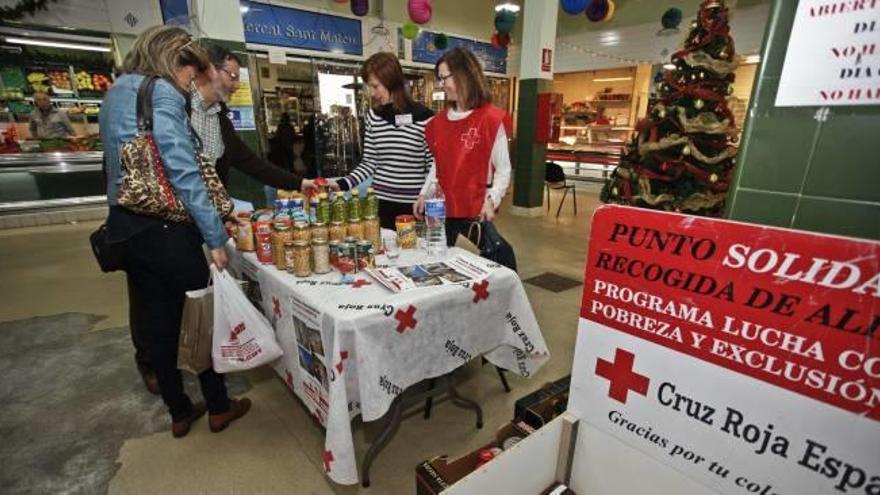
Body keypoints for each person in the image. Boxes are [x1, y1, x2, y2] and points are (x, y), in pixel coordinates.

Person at [99, 25, 250, 438]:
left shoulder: (116, 93)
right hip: (167, 230)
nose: (190, 83)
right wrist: (215, 236)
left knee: (157, 324)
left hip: (126, 229)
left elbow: (116, 171)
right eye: (191, 73)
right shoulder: (162, 91)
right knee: (200, 315)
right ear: (174, 60)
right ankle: (218, 406)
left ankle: (179, 411)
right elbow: (183, 171)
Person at [414, 47, 511, 244]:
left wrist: (492, 199)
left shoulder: (490, 120)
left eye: (444, 78)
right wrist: (424, 194)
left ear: (463, 75)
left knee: (497, 260)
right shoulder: (437, 124)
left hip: (475, 212)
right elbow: (438, 165)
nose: (442, 85)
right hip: (441, 213)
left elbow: (503, 169)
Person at [335, 52, 434, 229]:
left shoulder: (425, 118)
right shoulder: (374, 116)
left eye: (375, 86)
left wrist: (427, 197)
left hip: (413, 207)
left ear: (391, 81)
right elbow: (369, 163)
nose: (372, 93)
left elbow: (432, 168)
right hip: (380, 204)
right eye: (369, 87)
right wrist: (341, 184)